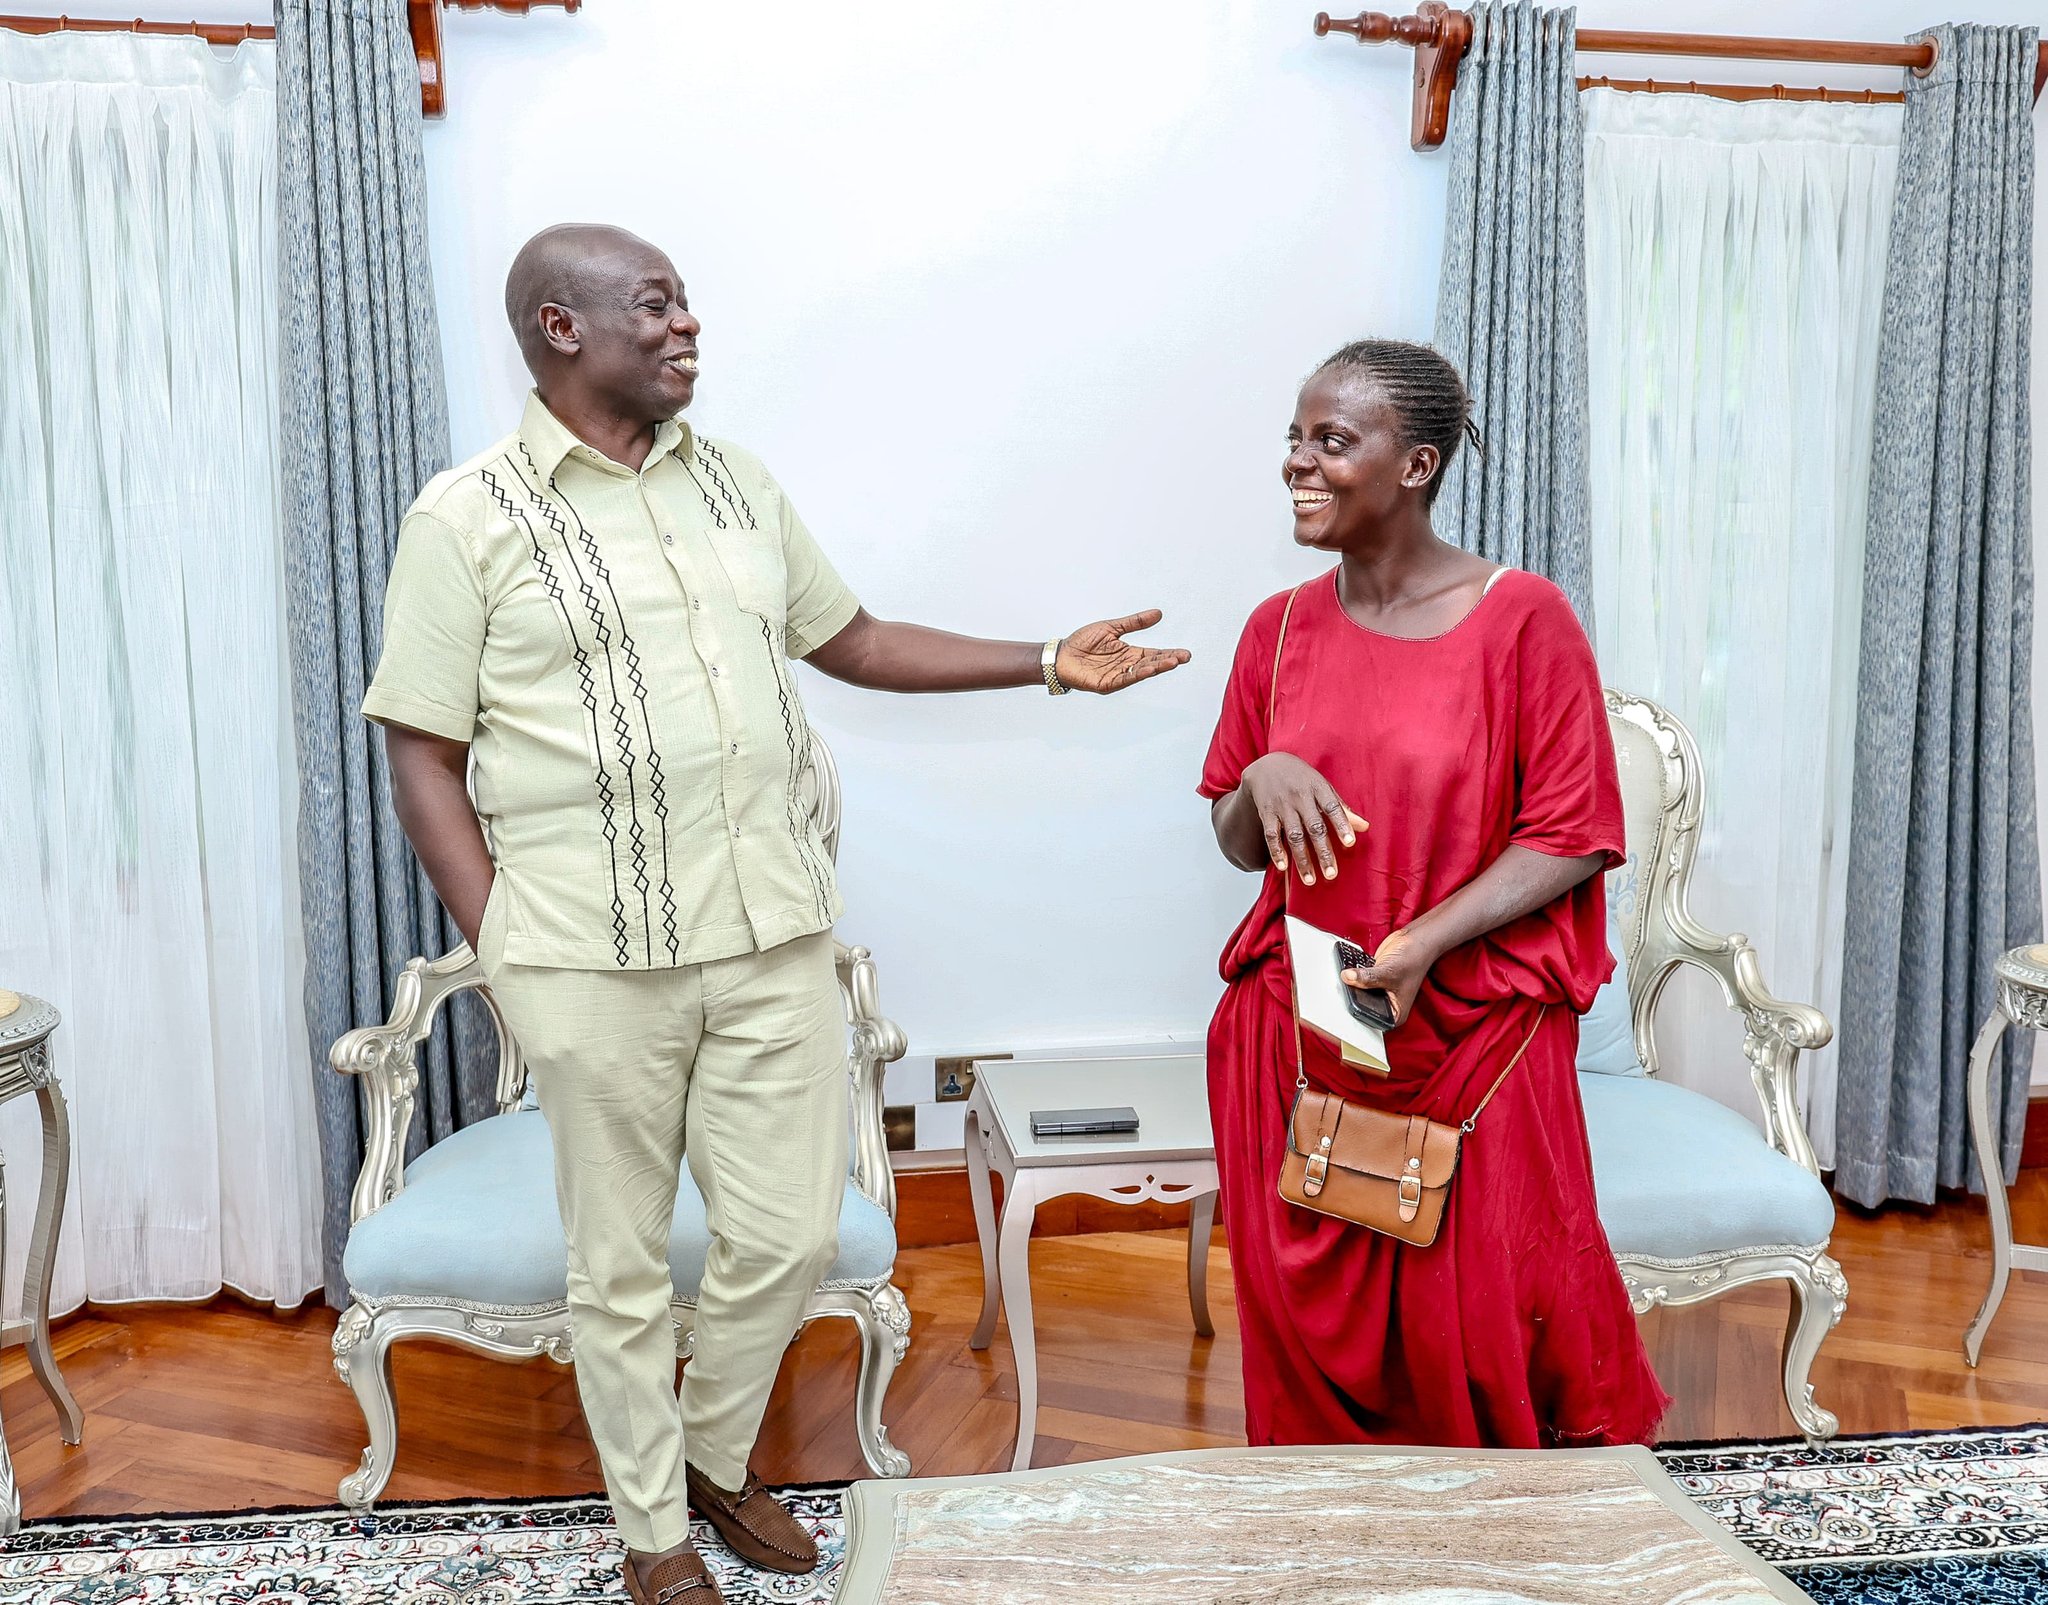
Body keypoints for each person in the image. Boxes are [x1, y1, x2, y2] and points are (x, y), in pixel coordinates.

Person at [364, 223, 1189, 1605]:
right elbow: (419, 751)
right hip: (586, 951)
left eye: (687, 303)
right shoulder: (469, 517)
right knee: (619, 1265)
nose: (689, 326)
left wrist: (1046, 661)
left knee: (790, 1231)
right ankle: (652, 1534)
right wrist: (503, 942)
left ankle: (707, 1451)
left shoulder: (737, 486)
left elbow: (850, 640)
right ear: (562, 327)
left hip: (771, 935)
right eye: (658, 305)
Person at [1199, 339, 1668, 1451]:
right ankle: (1336, 1550)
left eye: (1330, 441)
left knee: (1497, 1328)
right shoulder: (1272, 632)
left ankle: (1493, 1547)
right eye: (1294, 439)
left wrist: (1416, 946)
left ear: (1413, 465)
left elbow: (1572, 836)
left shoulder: (1523, 620)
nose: (1297, 465)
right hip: (1298, 1031)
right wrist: (1258, 778)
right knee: (1300, 1344)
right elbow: (1233, 839)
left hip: (1475, 1036)